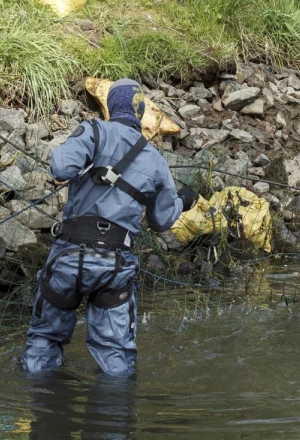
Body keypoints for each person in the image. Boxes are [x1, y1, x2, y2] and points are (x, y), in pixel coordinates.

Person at [22, 79, 198, 376]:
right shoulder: (156, 161)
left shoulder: (93, 131)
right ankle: (113, 415)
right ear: (140, 110)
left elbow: (61, 168)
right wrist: (183, 200)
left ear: (110, 106)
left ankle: (43, 408)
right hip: (115, 266)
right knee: (116, 358)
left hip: (69, 257)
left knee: (44, 341)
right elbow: (162, 221)